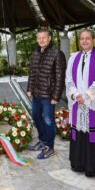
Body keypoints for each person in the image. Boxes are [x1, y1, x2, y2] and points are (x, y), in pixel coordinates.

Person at [66, 29, 95, 178]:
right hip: (78, 103)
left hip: (93, 104)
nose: (85, 41)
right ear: (79, 41)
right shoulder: (73, 58)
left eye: (88, 38)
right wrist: (75, 94)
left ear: (93, 40)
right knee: (80, 133)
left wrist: (86, 97)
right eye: (82, 39)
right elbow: (69, 80)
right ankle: (79, 164)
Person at [27, 29, 66, 159]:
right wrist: (29, 88)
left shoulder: (57, 53)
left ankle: (49, 147)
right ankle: (43, 141)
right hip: (37, 93)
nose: (41, 40)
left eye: (44, 37)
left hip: (49, 95)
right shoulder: (36, 53)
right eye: (39, 38)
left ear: (49, 38)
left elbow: (60, 77)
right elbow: (32, 73)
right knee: (36, 117)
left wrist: (56, 96)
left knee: (48, 121)